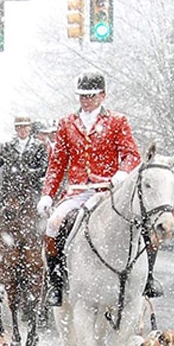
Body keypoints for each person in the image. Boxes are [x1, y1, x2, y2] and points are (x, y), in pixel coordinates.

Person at [37, 72, 143, 306]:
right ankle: (56, 281)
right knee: (54, 223)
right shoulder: (66, 123)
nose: (85, 100)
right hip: (77, 190)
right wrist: (48, 194)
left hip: (107, 190)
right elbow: (57, 164)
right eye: (82, 96)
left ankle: (147, 276)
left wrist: (122, 173)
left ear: (102, 95)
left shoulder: (117, 121)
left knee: (141, 219)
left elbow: (131, 154)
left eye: (91, 96)